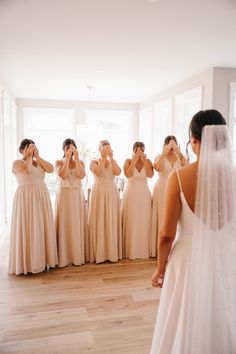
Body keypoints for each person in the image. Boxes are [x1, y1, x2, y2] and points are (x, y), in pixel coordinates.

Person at [150, 110, 236, 354]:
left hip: (187, 262)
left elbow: (166, 234)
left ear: (194, 141)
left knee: (184, 317)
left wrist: (159, 269)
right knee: (223, 313)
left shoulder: (178, 177)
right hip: (227, 256)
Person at [9, 139, 58, 275]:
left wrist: (37, 156)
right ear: (21, 150)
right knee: (28, 225)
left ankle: (43, 260)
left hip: (40, 195)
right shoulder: (17, 163)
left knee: (41, 225)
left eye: (32, 147)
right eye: (27, 147)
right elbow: (25, 171)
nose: (30, 149)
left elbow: (51, 169)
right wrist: (28, 156)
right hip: (25, 196)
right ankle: (28, 263)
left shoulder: (38, 162)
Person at [151, 136, 187, 257]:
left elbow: (186, 167)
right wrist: (163, 154)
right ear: (165, 145)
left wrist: (179, 152)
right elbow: (158, 167)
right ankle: (160, 248)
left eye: (174, 144)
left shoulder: (180, 157)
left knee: (175, 216)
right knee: (162, 215)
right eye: (169, 145)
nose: (171, 147)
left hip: (176, 189)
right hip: (161, 188)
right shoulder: (159, 157)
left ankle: (173, 248)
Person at [55, 138, 87, 267]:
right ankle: (64, 256)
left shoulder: (81, 163)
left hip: (76, 194)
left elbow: (81, 175)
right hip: (64, 196)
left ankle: (77, 255)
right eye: (68, 148)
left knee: (76, 222)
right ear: (64, 150)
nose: (71, 150)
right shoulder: (58, 162)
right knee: (65, 222)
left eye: (73, 147)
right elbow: (63, 174)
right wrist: (67, 159)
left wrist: (77, 159)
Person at [88, 140, 122, 263]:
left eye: (109, 147)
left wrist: (111, 158)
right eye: (105, 147)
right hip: (99, 191)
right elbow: (98, 172)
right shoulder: (93, 162)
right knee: (99, 219)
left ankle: (111, 252)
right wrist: (103, 158)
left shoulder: (113, 162)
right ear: (100, 149)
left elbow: (118, 172)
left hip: (111, 192)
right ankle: (100, 253)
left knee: (110, 219)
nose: (107, 149)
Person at [122, 142, 153, 259]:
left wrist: (144, 160)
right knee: (132, 219)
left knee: (143, 219)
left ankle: (142, 250)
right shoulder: (128, 161)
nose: (139, 152)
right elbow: (128, 174)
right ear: (133, 150)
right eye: (137, 150)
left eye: (141, 150)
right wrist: (135, 159)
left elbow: (150, 175)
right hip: (131, 193)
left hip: (144, 193)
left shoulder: (148, 161)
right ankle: (131, 251)